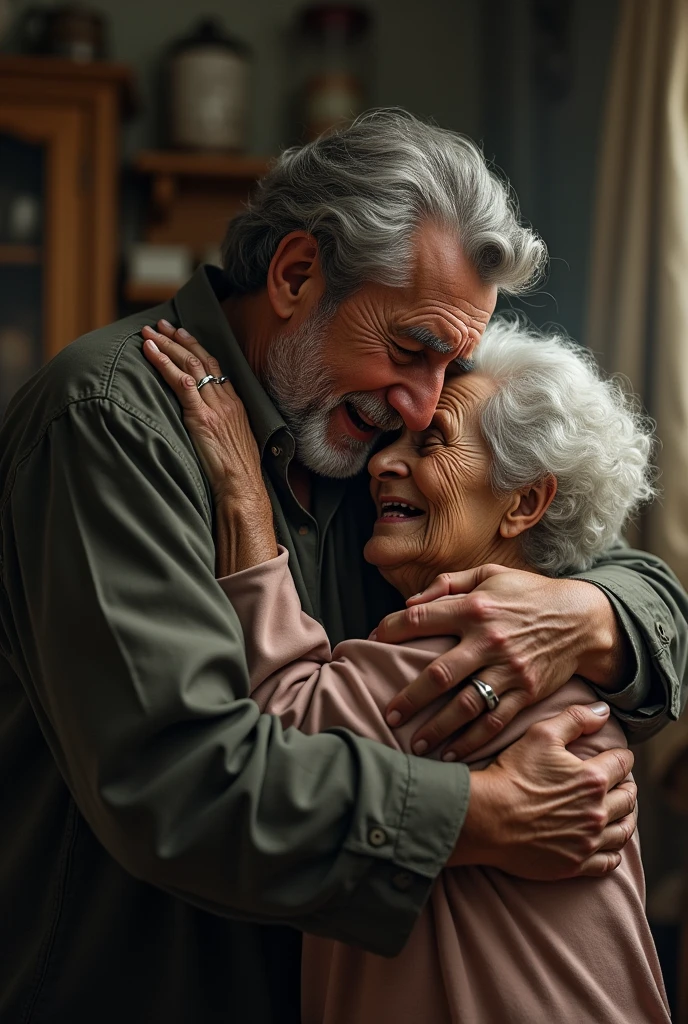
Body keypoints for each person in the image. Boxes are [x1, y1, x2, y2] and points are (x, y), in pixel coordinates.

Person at [0, 111, 684, 1023]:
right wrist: (485, 816)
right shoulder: (110, 422)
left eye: (449, 365)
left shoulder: (376, 423)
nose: (424, 400)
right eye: (410, 351)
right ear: (294, 275)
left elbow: (633, 574)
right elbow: (180, 780)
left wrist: (587, 616)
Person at [144, 315, 670, 1023]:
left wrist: (243, 497)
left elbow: (281, 725)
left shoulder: (475, 646)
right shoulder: (557, 649)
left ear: (524, 503)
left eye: (431, 443)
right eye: (392, 439)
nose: (384, 463)